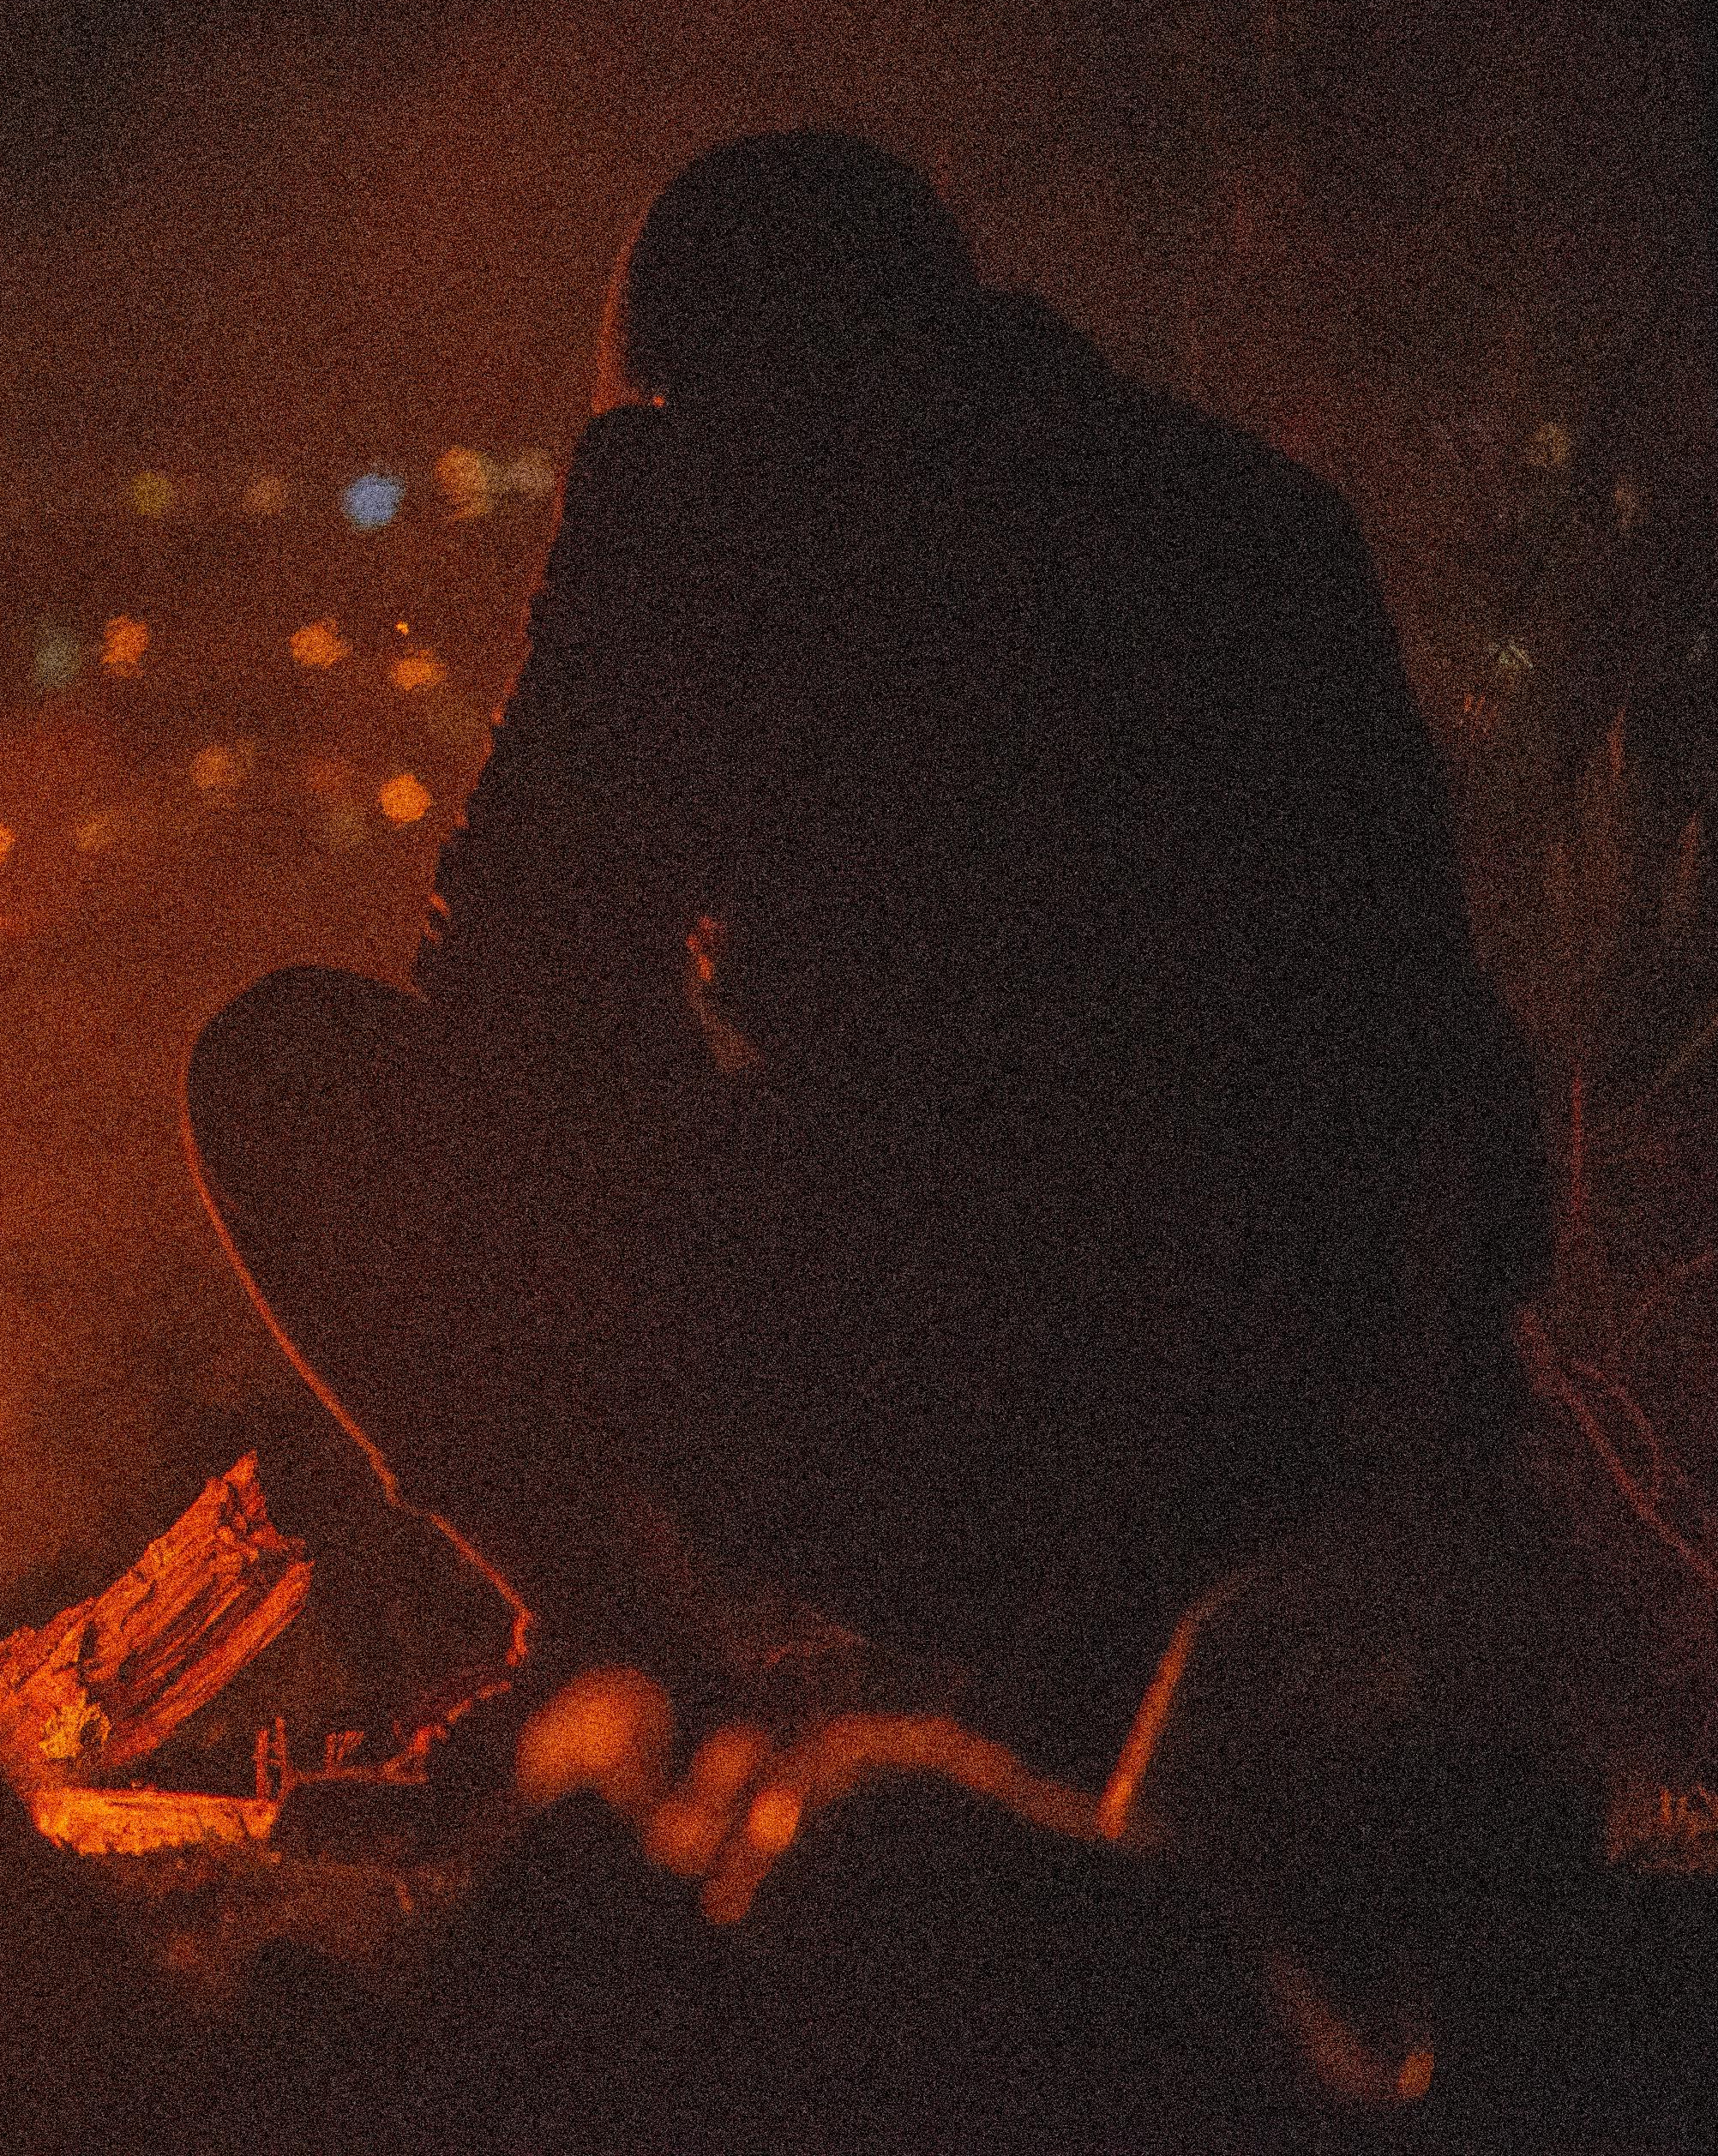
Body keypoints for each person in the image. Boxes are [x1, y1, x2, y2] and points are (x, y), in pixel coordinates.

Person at [187, 131, 1546, 1796]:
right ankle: (1096, 1648)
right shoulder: (1238, 512)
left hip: (992, 1381)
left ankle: (623, 1663)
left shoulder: (716, 522)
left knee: (293, 1073)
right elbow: (1418, 1033)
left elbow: (517, 980)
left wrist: (627, 549)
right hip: (1264, 1414)